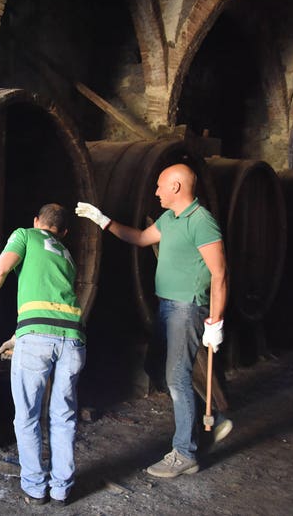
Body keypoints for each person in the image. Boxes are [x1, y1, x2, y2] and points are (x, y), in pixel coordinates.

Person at [76, 163, 229, 478]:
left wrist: (215, 320)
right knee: (157, 367)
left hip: (188, 308)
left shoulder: (201, 221)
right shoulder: (170, 219)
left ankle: (185, 452)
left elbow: (220, 273)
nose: (155, 191)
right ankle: (207, 419)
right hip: (167, 306)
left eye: (159, 186)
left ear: (175, 187)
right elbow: (140, 238)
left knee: (177, 378)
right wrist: (102, 220)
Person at [0, 203, 85, 505]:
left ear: (36, 221)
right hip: (72, 339)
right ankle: (61, 489)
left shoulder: (26, 235)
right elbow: (51, 305)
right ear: (65, 232)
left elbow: (2, 268)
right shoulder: (68, 257)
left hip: (38, 342)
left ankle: (35, 487)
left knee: (28, 417)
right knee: (63, 416)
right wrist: (17, 338)